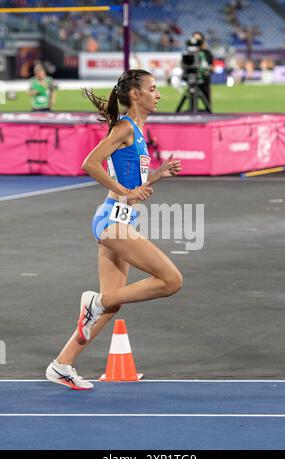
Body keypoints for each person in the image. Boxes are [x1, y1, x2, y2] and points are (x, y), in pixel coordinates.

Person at [46, 69, 183, 390]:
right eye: (152, 89)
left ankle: (61, 364)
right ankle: (93, 302)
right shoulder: (124, 127)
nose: (158, 94)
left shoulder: (135, 130)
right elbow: (90, 163)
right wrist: (126, 191)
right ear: (135, 94)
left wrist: (157, 175)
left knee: (112, 303)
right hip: (113, 221)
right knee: (171, 281)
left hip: (120, 219)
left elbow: (133, 182)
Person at [191, 31, 214, 112]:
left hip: (204, 79)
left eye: (199, 39)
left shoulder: (207, 52)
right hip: (192, 79)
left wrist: (206, 68)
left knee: (207, 101)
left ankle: (208, 116)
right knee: (192, 102)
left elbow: (212, 67)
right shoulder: (190, 52)